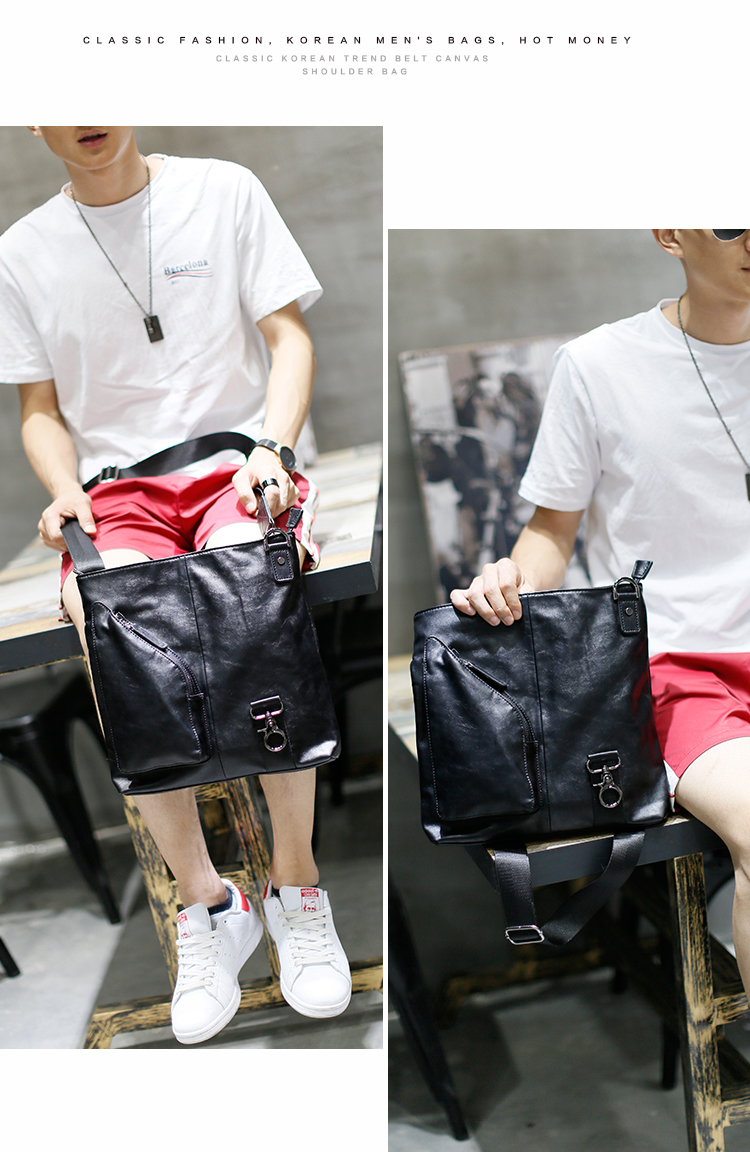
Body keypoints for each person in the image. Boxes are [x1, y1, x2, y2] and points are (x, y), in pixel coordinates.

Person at [0, 126, 352, 1044]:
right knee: (108, 616)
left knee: (251, 598)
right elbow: (39, 409)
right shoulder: (22, 251)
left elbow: (288, 337)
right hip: (118, 489)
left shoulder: (223, 190)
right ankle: (210, 904)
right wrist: (64, 487)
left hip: (237, 462)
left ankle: (296, 885)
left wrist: (274, 446)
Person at [450, 229, 750, 996]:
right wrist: (509, 581)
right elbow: (553, 529)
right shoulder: (602, 365)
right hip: (678, 667)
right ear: (670, 231)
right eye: (729, 220)